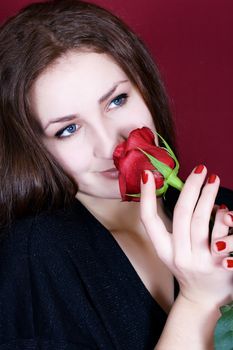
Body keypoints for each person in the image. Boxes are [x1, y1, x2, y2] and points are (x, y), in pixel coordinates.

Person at [0, 0, 232, 349]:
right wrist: (199, 301)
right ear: (35, 148)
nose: (112, 145)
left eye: (117, 101)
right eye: (68, 129)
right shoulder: (33, 257)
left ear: (145, 89)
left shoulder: (222, 212)